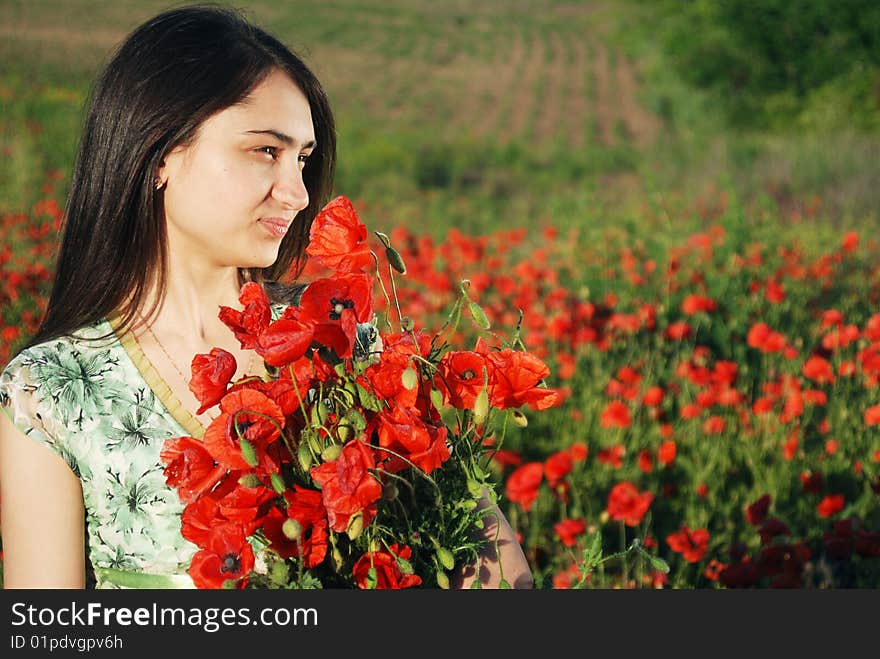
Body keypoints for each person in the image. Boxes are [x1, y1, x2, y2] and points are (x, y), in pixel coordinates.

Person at [0, 4, 532, 590]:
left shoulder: (344, 345)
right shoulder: (50, 392)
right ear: (157, 156)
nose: (299, 194)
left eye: (303, 159)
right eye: (266, 152)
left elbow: (500, 573)